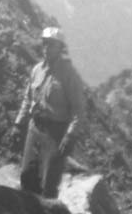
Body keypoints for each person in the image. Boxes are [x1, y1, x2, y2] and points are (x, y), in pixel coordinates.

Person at [13, 26, 87, 198]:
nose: (46, 48)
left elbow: (79, 110)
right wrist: (18, 123)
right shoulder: (37, 70)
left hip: (55, 133)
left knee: (48, 185)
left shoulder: (69, 75)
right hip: (34, 128)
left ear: (60, 48)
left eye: (52, 44)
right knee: (27, 176)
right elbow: (28, 98)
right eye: (44, 43)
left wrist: (70, 136)